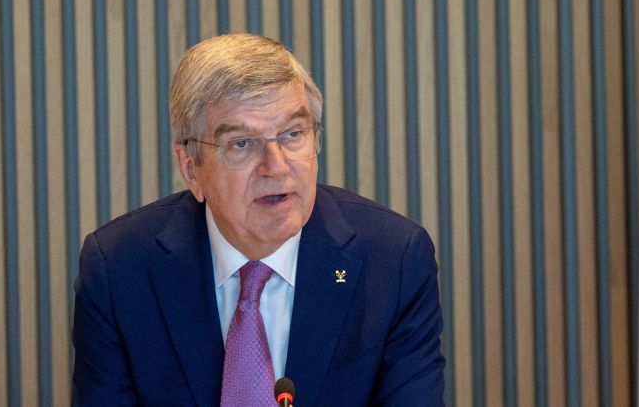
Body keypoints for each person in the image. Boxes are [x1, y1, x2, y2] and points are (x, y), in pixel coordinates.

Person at [72, 33, 444, 406]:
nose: (277, 167)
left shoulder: (392, 260)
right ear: (191, 169)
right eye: (241, 143)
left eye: (293, 134)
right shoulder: (120, 269)